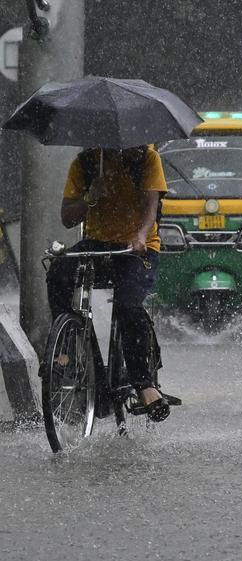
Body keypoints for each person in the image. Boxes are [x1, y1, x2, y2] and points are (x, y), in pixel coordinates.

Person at [47, 145, 171, 421]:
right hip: (99, 245)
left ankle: (144, 384)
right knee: (58, 272)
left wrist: (140, 235)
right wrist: (90, 196)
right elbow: (68, 218)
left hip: (137, 249)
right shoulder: (86, 163)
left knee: (128, 304)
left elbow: (152, 206)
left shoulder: (146, 159)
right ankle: (67, 348)